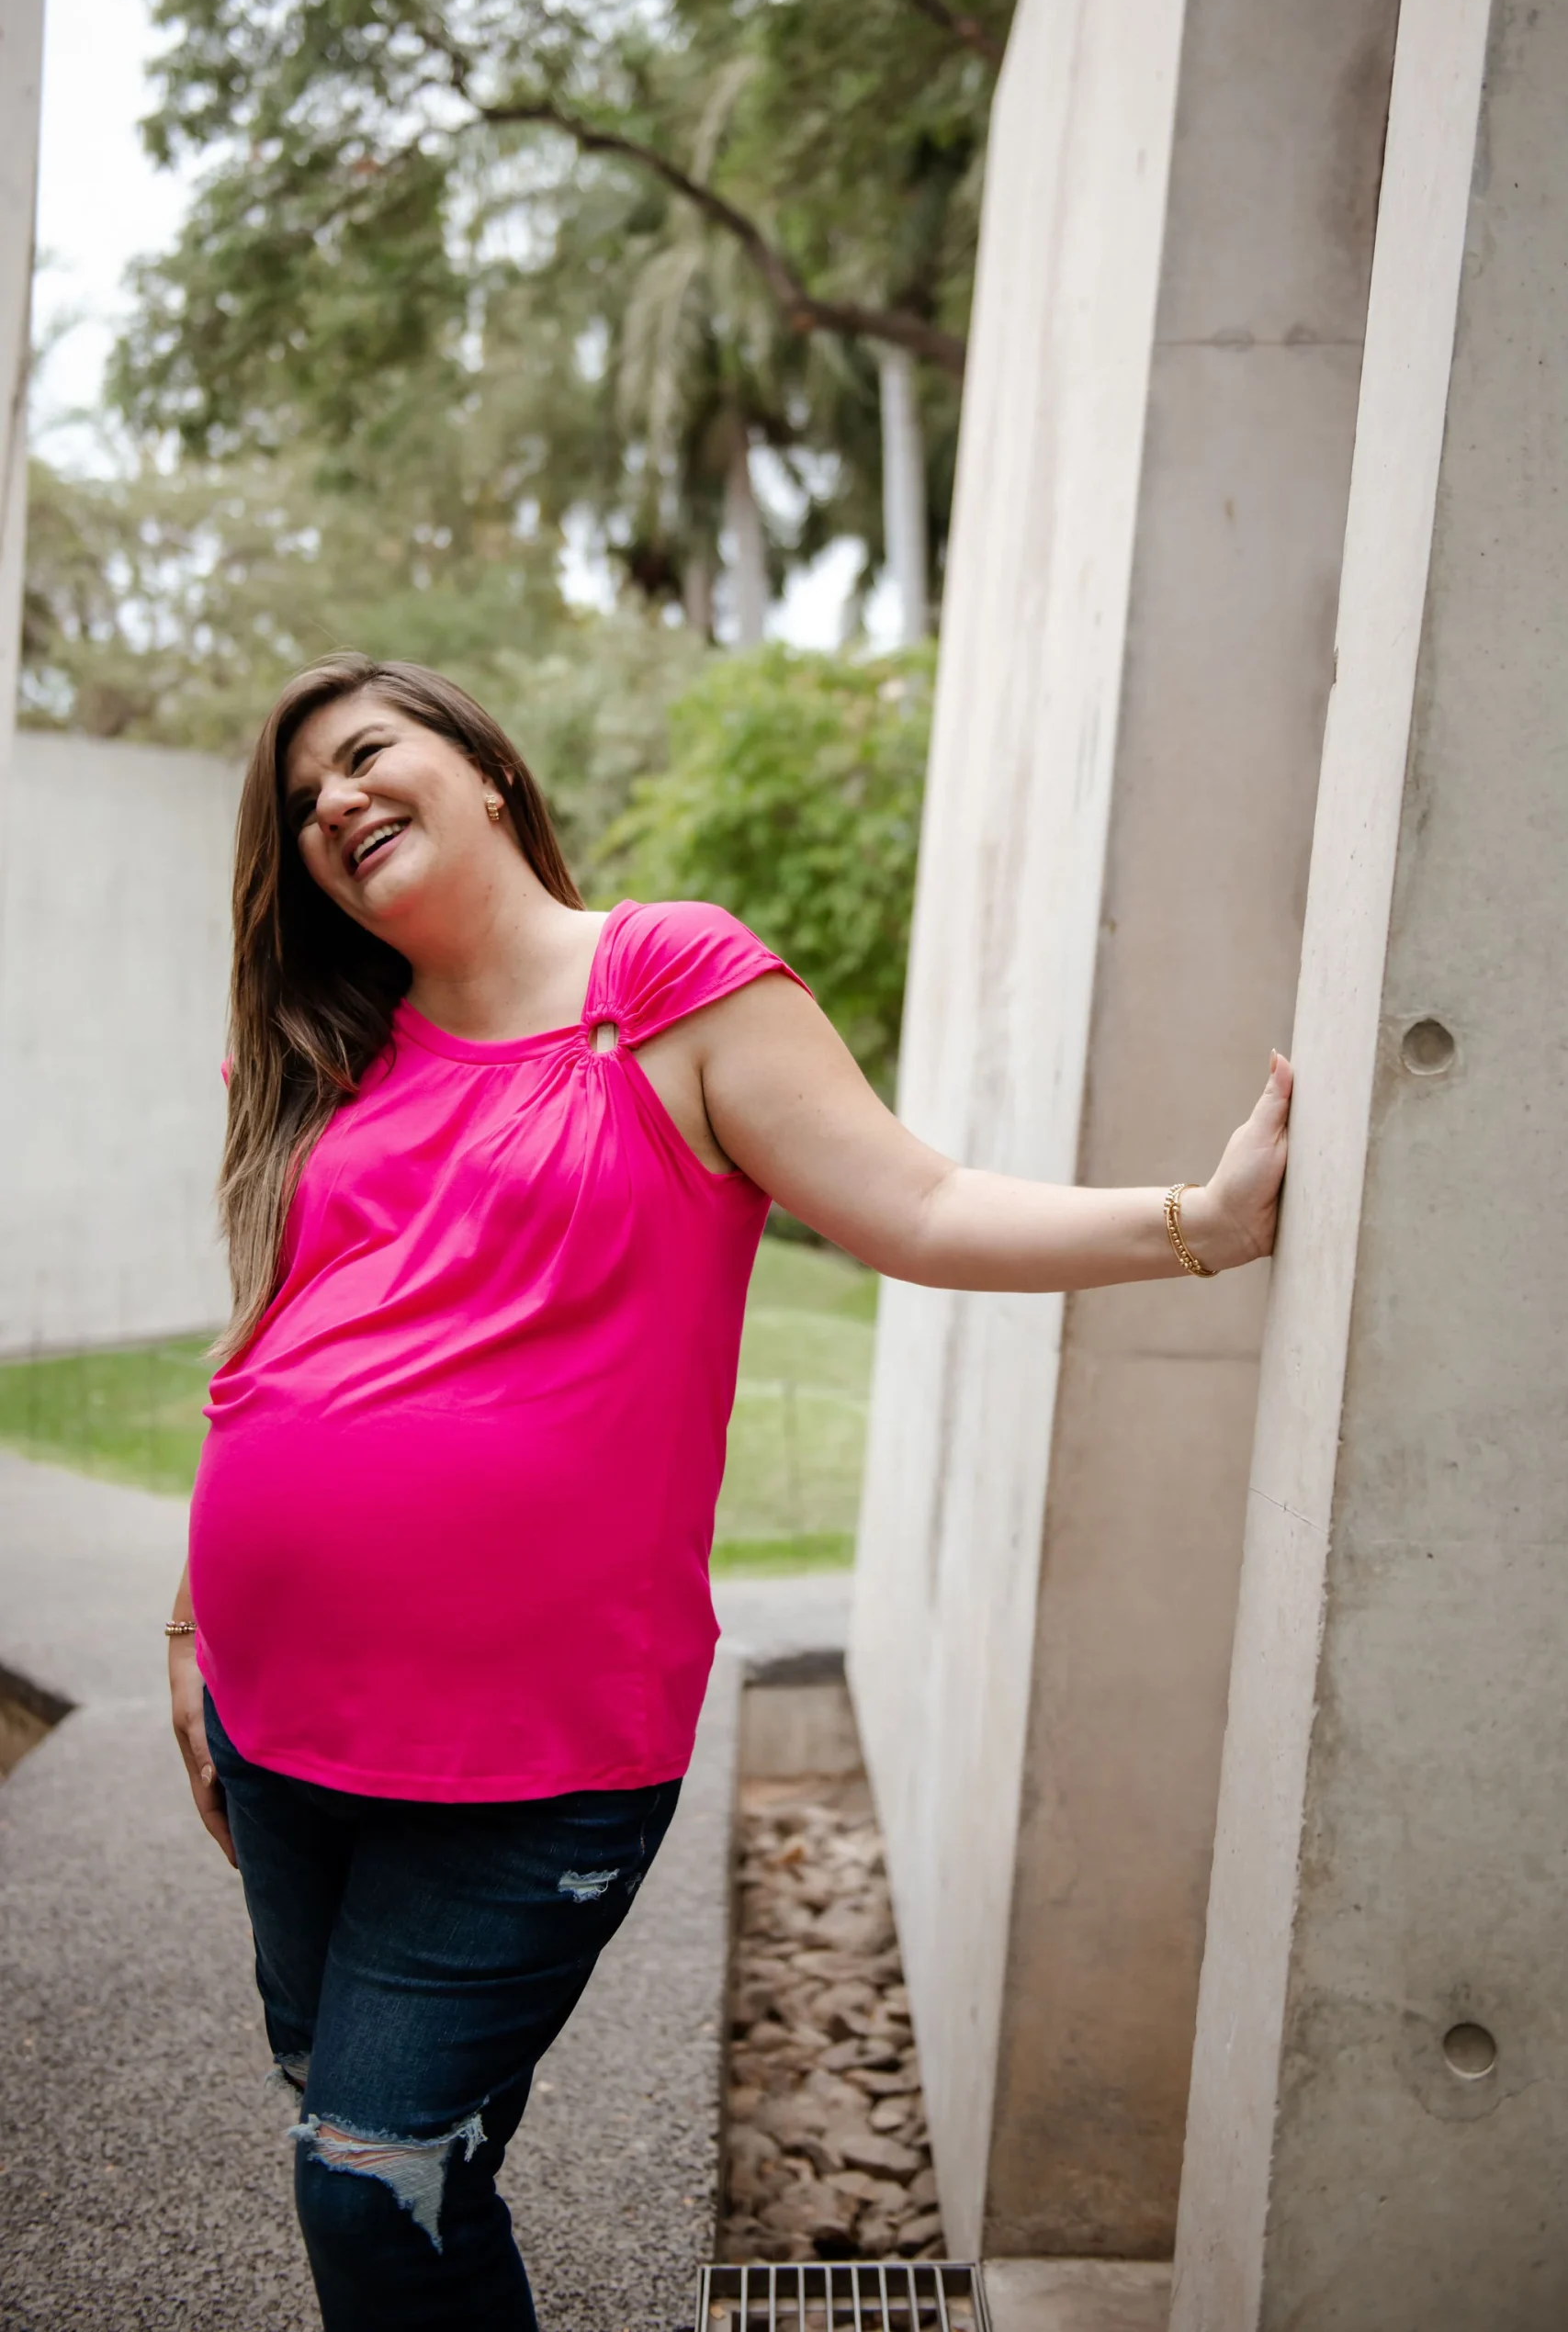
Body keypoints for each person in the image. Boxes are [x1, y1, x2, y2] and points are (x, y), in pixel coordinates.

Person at [166, 652, 1292, 2330]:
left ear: (482, 766)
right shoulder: (331, 1052)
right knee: (365, 2109)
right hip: (277, 1720)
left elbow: (911, 1207)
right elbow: (268, 1332)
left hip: (530, 1746)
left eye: (365, 752)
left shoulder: (663, 984)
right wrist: (194, 1614)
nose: (329, 799)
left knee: (371, 2172)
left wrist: (1196, 1223)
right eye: (299, 798)